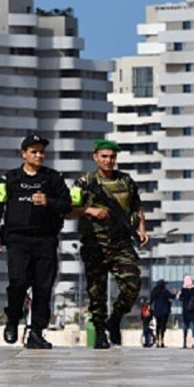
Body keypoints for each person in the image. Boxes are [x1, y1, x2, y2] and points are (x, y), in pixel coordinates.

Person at [0, 133, 71, 350]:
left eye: (42, 151)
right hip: (17, 240)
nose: (38, 155)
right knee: (18, 283)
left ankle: (36, 331)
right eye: (34, 151)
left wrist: (48, 201)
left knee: (43, 288)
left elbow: (67, 204)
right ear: (24, 154)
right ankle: (13, 320)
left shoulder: (53, 178)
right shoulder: (10, 179)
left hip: (45, 239)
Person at [69, 138, 149, 349]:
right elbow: (69, 209)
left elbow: (137, 208)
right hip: (94, 242)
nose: (108, 160)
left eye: (112, 157)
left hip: (120, 242)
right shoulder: (84, 182)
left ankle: (116, 318)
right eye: (104, 156)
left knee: (132, 284)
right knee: (97, 291)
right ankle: (101, 330)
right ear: (95, 157)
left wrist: (142, 230)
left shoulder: (126, 181)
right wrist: (89, 211)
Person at [177, 275, 194, 348]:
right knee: (193, 324)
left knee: (185, 325)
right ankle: (193, 342)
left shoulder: (183, 289)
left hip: (186, 310)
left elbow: (179, 298)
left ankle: (185, 341)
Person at [150, 279, 175, 347]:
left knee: (158, 325)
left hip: (157, 311)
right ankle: (162, 340)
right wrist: (175, 293)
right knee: (163, 326)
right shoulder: (164, 291)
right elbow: (172, 296)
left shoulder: (154, 291)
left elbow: (150, 301)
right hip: (164, 311)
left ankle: (157, 340)